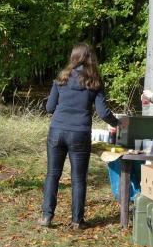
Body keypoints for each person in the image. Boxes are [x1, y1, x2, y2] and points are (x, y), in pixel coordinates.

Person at [40, 43, 118, 229]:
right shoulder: (94, 82)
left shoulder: (62, 78)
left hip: (57, 131)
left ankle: (46, 217)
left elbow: (49, 108)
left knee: (52, 174)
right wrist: (117, 123)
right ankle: (77, 221)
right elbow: (103, 112)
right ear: (91, 58)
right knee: (78, 178)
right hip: (80, 133)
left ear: (73, 57)